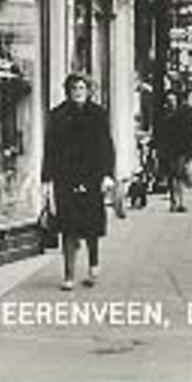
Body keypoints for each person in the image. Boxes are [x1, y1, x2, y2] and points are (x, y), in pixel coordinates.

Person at [42, 73, 116, 291]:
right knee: (68, 226)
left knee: (91, 225)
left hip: (92, 176)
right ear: (68, 91)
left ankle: (94, 266)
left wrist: (107, 175)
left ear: (88, 91)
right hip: (65, 177)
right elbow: (50, 149)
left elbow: (106, 146)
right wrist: (46, 179)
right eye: (74, 88)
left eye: (82, 88)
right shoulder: (58, 115)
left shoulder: (98, 114)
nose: (78, 92)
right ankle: (69, 275)